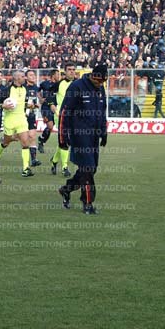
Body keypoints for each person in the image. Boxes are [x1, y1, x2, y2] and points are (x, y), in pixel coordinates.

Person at [57, 63, 108, 215]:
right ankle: (87, 203)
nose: (100, 84)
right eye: (99, 81)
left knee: (91, 169)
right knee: (87, 169)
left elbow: (102, 112)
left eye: (103, 81)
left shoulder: (100, 89)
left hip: (94, 136)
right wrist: (62, 137)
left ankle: (66, 189)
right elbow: (64, 112)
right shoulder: (76, 87)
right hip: (79, 135)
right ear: (93, 76)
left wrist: (104, 132)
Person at [0, 70, 36, 177]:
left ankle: (25, 169)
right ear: (16, 78)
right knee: (6, 142)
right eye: (22, 76)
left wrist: (30, 105)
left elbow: (24, 103)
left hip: (21, 119)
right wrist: (3, 106)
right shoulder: (7, 90)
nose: (25, 78)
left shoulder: (25, 89)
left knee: (25, 142)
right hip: (10, 120)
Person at [51, 62, 76, 176]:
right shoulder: (59, 84)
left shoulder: (78, 84)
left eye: (73, 69)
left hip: (75, 117)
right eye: (69, 69)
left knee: (66, 141)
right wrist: (51, 104)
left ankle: (54, 161)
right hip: (61, 116)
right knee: (64, 141)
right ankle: (65, 167)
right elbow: (48, 94)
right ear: (65, 72)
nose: (72, 71)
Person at [37, 69, 59, 153]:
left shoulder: (59, 84)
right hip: (46, 107)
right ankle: (41, 141)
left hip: (55, 107)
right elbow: (37, 91)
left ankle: (41, 140)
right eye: (57, 74)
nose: (59, 76)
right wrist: (40, 98)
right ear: (53, 75)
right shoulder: (44, 83)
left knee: (51, 127)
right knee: (50, 126)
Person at [24, 69, 43, 166]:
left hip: (31, 115)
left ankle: (34, 159)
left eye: (34, 75)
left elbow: (39, 100)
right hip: (21, 116)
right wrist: (27, 105)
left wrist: (38, 104)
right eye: (31, 75)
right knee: (15, 138)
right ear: (26, 77)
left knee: (32, 136)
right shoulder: (22, 87)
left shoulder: (36, 88)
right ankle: (5, 139)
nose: (33, 76)